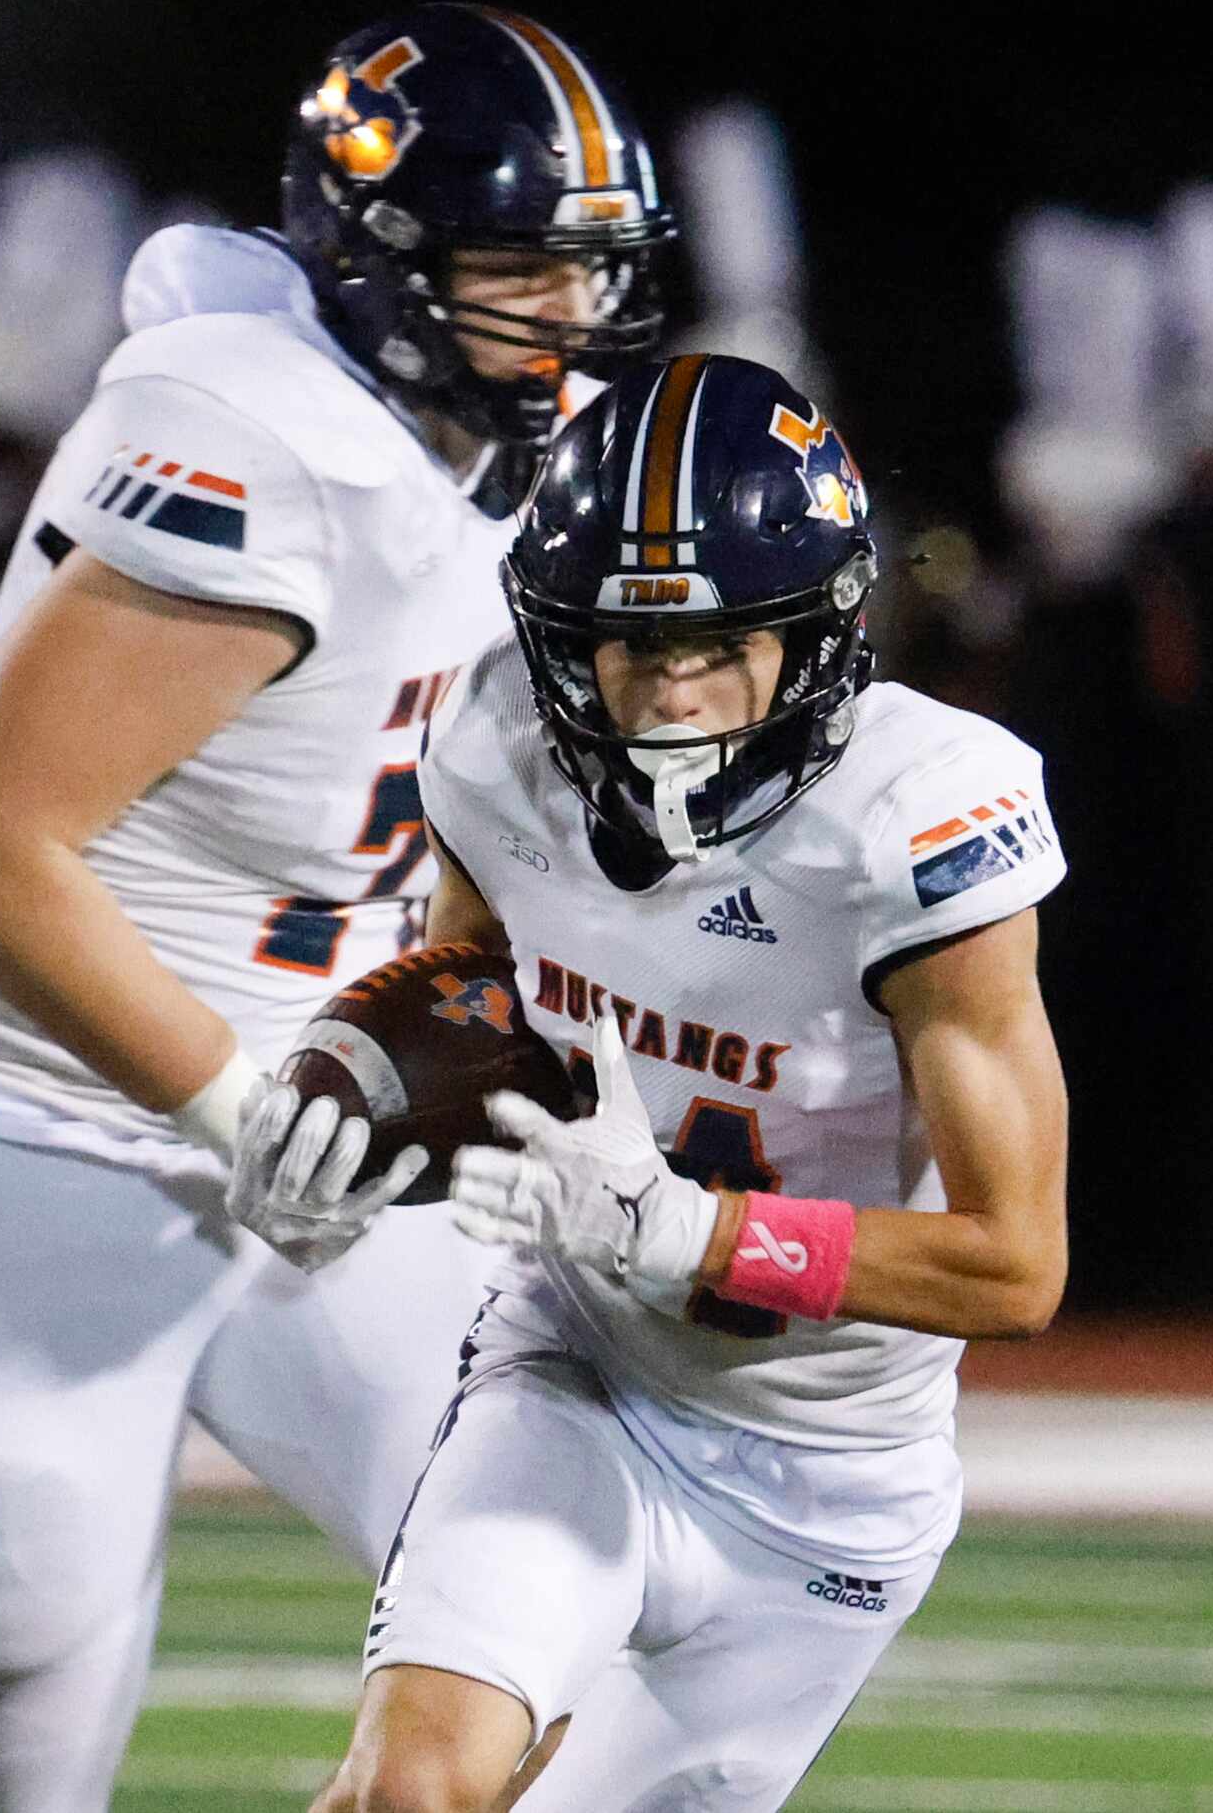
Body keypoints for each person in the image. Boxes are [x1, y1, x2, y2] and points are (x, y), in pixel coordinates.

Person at [0, 4, 676, 1813]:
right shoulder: (264, 440)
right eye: (518, 271)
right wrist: (243, 1107)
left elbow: (421, 792)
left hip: (326, 1140)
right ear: (387, 257)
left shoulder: (471, 451)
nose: (568, 317)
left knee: (586, 1593)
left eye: (588, 271)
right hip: (32, 1153)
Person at [270, 353, 1070, 1810]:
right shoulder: (500, 746)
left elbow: (1015, 1266)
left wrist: (702, 1233)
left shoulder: (919, 823)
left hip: (831, 1471)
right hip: (579, 1371)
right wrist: (348, 1133)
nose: (668, 693)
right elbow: (477, 1023)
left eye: (718, 644)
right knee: (406, 1790)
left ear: (821, 631)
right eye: (627, 646)